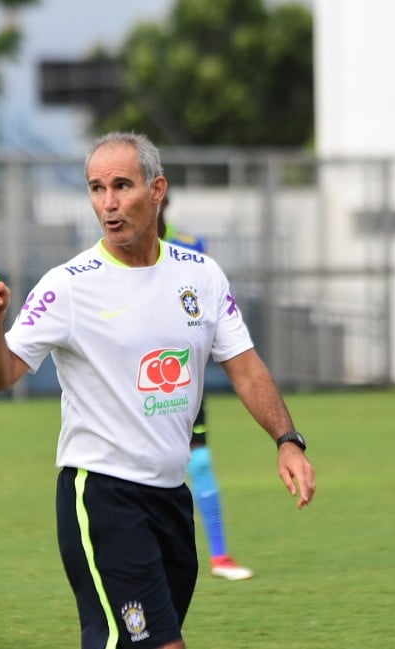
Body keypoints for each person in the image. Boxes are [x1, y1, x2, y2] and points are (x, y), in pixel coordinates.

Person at [0, 132, 316, 649]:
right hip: (102, 494)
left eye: (122, 186)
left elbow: (245, 367)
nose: (108, 203)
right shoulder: (68, 285)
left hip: (172, 498)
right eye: (96, 188)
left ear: (157, 190)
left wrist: (288, 438)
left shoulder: (201, 276)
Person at [157, 196, 253, 581]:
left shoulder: (192, 247)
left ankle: (219, 555)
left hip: (180, 374)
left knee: (199, 460)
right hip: (141, 378)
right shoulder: (120, 250)